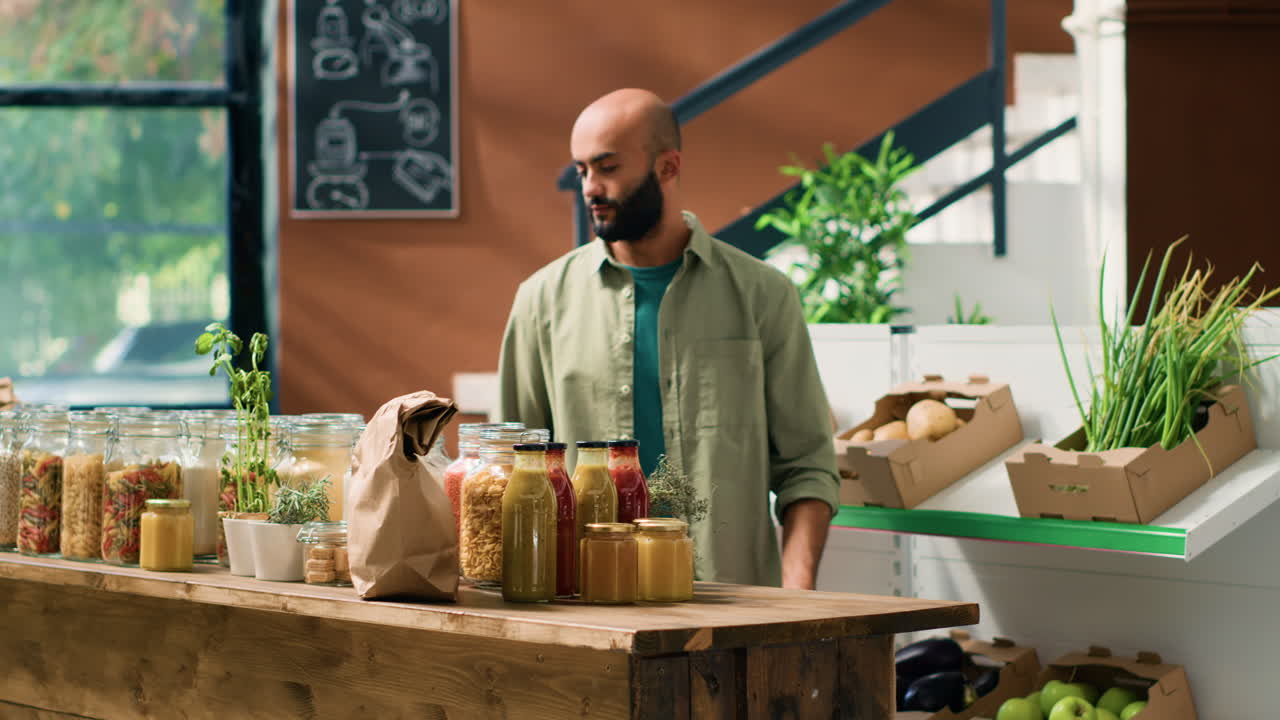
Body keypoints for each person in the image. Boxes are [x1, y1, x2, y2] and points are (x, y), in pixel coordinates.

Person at [496, 88, 839, 589]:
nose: (590, 187)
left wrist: (797, 591)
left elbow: (807, 468)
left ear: (668, 167)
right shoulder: (540, 302)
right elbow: (514, 468)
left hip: (733, 603)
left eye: (607, 167)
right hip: (587, 602)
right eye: (582, 170)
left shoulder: (763, 295)